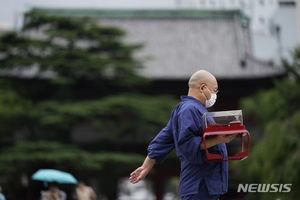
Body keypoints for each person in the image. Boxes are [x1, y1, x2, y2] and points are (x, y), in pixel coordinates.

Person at [129, 70, 237, 200]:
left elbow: (163, 139)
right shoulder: (189, 109)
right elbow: (187, 144)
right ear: (203, 88)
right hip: (200, 183)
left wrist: (146, 167)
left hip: (205, 184)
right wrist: (219, 139)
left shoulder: (184, 109)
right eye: (214, 90)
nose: (215, 94)